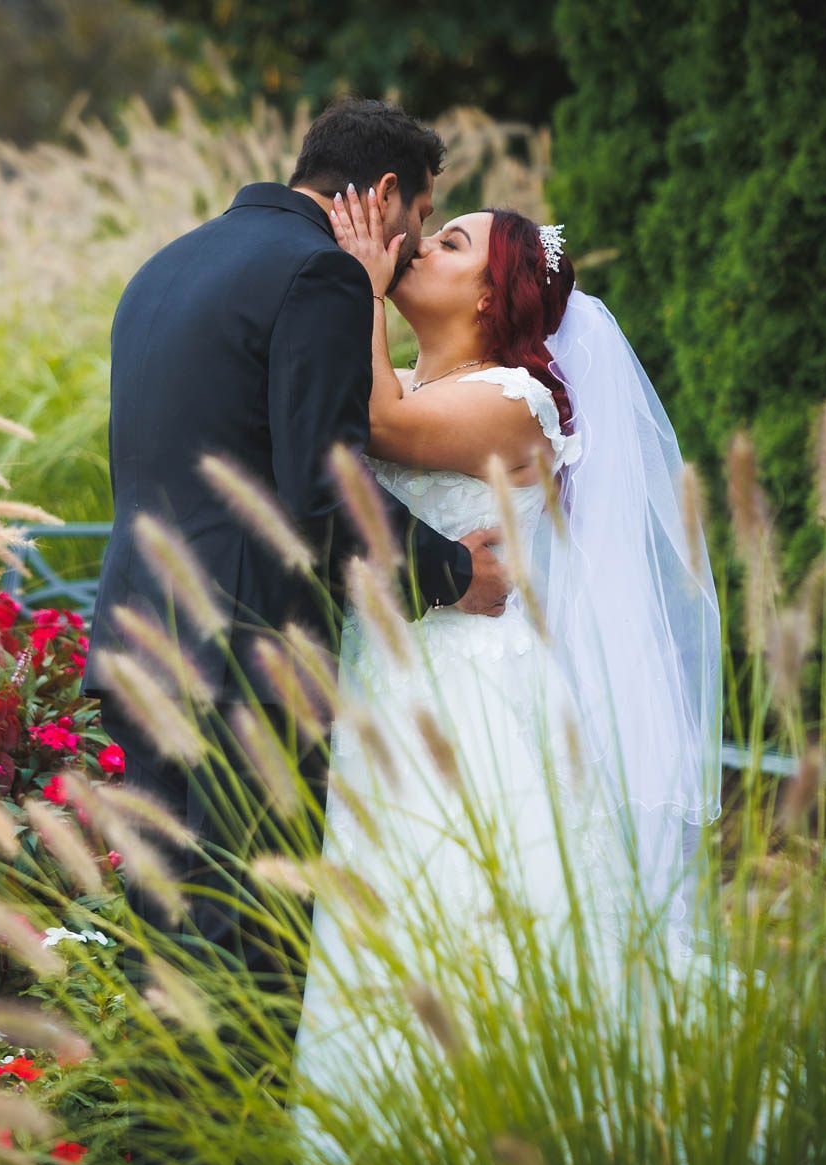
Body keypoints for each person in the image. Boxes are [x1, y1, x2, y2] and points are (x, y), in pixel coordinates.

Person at [289, 188, 723, 1165]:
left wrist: (354, 285)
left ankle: (503, 1149)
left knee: (472, 917)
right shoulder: (409, 374)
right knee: (387, 923)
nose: (418, 249)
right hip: (389, 694)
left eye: (448, 244)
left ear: (491, 299)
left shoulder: (515, 403)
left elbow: (379, 426)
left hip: (474, 703)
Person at [84, 98, 512, 991]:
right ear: (387, 193)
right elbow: (324, 489)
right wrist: (455, 572)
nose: (415, 240)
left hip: (140, 633)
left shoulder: (164, 268)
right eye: (424, 216)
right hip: (247, 654)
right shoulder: (317, 275)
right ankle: (232, 1135)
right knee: (250, 951)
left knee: (167, 941)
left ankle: (160, 1137)